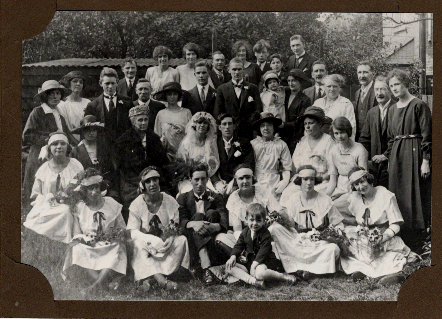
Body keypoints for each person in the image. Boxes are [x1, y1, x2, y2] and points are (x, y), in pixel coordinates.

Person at [340, 167, 419, 285]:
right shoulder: (355, 198)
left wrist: (382, 237)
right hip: (365, 241)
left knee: (386, 258)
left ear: (369, 180)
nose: (360, 187)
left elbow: (396, 224)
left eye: (362, 182)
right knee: (350, 250)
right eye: (356, 184)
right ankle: (364, 272)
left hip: (385, 239)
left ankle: (394, 275)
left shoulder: (385, 195)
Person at [385, 69, 431, 251]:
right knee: (398, 194)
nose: (394, 88)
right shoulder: (391, 110)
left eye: (397, 84)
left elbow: (428, 135)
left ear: (405, 84)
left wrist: (426, 160)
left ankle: (419, 241)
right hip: (397, 154)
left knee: (416, 193)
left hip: (415, 152)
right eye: (391, 86)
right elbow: (390, 137)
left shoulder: (419, 105)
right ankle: (401, 238)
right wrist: (390, 158)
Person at [62, 168, 127, 295]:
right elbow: (77, 234)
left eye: (96, 187)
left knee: (118, 247)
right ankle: (103, 281)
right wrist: (87, 240)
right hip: (90, 245)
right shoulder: (80, 207)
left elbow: (122, 228)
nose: (94, 192)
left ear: (101, 187)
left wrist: (114, 236)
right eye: (90, 189)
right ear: (84, 191)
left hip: (109, 244)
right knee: (77, 248)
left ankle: (95, 286)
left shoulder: (112, 203)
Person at [271, 165, 344, 278]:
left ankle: (305, 270)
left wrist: (332, 235)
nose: (309, 183)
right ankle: (304, 268)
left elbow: (338, 223)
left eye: (312, 179)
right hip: (298, 241)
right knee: (274, 228)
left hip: (318, 242)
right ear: (299, 181)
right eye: (305, 179)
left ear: (316, 180)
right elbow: (289, 224)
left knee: (333, 249)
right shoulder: (293, 199)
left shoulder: (325, 200)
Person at [127, 167, 190, 291]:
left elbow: (174, 226)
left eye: (155, 180)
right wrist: (151, 240)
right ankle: (160, 279)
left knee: (181, 240)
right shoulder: (136, 204)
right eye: (148, 181)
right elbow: (133, 232)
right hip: (147, 246)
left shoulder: (169, 200)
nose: (152, 184)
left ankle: (150, 278)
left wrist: (171, 237)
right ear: (143, 185)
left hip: (164, 245)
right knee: (137, 244)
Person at [22, 80, 76, 206]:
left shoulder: (60, 114)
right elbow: (28, 135)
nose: (55, 96)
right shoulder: (38, 112)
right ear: (44, 96)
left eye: (58, 93)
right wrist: (49, 139)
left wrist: (80, 145)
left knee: (56, 188)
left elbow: (67, 135)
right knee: (38, 186)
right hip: (39, 156)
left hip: (57, 156)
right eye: (51, 94)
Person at [23, 132, 84, 243]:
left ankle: (64, 239)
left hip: (72, 205)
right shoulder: (43, 169)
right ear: (49, 148)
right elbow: (36, 194)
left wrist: (72, 199)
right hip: (48, 206)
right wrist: (48, 199)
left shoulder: (76, 165)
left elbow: (83, 187)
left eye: (62, 144)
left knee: (66, 211)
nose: (59, 147)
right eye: (55, 144)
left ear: (67, 146)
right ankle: (52, 238)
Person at [115, 105, 169, 222]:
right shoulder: (124, 141)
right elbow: (123, 168)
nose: (143, 123)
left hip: (153, 178)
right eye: (140, 120)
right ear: (133, 121)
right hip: (132, 181)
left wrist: (153, 178)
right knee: (136, 199)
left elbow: (162, 162)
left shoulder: (154, 138)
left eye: (145, 119)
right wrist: (140, 182)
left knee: (164, 197)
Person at [177, 164, 228, 284]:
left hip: (212, 238)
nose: (200, 183)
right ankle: (206, 265)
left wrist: (215, 226)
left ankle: (206, 266)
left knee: (211, 212)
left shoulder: (216, 197)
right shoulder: (183, 198)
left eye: (203, 179)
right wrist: (193, 224)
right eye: (196, 179)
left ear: (207, 180)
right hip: (192, 241)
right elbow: (181, 221)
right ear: (190, 181)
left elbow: (224, 217)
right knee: (199, 217)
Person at [225, 203, 296, 288]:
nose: (254, 223)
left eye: (258, 221)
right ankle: (253, 281)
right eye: (251, 220)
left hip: (264, 262)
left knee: (259, 274)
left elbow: (263, 251)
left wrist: (254, 266)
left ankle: (282, 276)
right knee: (228, 267)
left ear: (264, 221)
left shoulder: (265, 234)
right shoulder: (245, 232)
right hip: (249, 262)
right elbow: (238, 245)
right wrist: (233, 256)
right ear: (246, 219)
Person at [215, 164, 282, 251]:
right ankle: (248, 255)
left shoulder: (263, 191)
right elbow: (237, 229)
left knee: (276, 229)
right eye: (241, 178)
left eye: (248, 177)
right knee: (221, 237)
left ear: (252, 178)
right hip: (246, 236)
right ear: (236, 180)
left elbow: (278, 211)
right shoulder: (233, 198)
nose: (245, 181)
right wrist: (249, 243)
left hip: (267, 232)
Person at [280, 106, 335, 204]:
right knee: (287, 194)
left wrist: (318, 179)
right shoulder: (302, 141)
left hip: (321, 182)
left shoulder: (329, 142)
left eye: (311, 123)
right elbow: (294, 165)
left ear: (320, 124)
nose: (307, 127)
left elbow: (332, 169)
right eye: (305, 124)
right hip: (302, 181)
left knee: (315, 199)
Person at [326, 117, 368, 220]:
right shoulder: (333, 151)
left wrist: (344, 193)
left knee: (333, 207)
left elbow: (363, 180)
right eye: (336, 133)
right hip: (338, 189)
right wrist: (325, 197)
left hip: (356, 190)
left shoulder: (359, 149)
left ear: (348, 131)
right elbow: (333, 180)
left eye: (342, 132)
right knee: (322, 203)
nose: (339, 136)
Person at [213, 57, 263, 140]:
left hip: (248, 131)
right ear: (229, 70)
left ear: (243, 70)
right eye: (234, 69)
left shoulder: (253, 88)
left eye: (239, 69)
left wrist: (248, 123)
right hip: (229, 132)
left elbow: (258, 110)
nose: (237, 72)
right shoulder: (222, 89)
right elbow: (218, 112)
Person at [69, 115, 117, 198]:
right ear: (82, 132)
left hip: (104, 186)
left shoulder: (104, 148)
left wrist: (105, 183)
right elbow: (73, 174)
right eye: (87, 130)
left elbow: (111, 169)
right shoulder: (76, 151)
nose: (91, 133)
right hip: (84, 188)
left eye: (94, 130)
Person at [358, 76, 393, 188]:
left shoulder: (397, 109)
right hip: (374, 165)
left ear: (390, 91)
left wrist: (385, 155)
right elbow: (364, 139)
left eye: (382, 89)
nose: (379, 93)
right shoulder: (371, 113)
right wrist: (365, 159)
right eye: (376, 90)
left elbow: (399, 139)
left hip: (393, 163)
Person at [84, 67, 133, 144]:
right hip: (102, 147)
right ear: (100, 83)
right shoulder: (92, 105)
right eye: (107, 83)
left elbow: (132, 126)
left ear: (117, 82)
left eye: (113, 83)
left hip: (123, 147)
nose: (110, 86)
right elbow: (87, 130)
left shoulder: (127, 102)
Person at [211, 114, 255, 197]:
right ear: (219, 127)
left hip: (239, 182)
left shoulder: (244, 142)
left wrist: (234, 182)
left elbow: (248, 164)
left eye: (230, 124)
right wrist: (217, 182)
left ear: (234, 126)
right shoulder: (214, 144)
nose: (227, 127)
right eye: (224, 124)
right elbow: (211, 167)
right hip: (220, 182)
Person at [250, 112, 292, 197]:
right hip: (256, 180)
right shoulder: (253, 144)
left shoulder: (281, 144)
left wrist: (285, 181)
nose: (265, 128)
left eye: (269, 125)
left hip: (274, 180)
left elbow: (287, 167)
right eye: (262, 125)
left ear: (274, 127)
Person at [177, 112, 220, 182]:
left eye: (205, 123)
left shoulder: (210, 142)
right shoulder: (187, 143)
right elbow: (182, 164)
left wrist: (210, 164)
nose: (202, 125)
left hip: (206, 177)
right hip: (189, 178)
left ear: (208, 126)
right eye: (199, 123)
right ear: (195, 125)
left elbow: (214, 164)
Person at [153, 82, 192, 160]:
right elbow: (157, 135)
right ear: (165, 96)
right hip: (167, 154)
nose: (172, 97)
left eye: (175, 94)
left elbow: (191, 135)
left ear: (179, 96)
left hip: (185, 153)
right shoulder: (161, 113)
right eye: (169, 94)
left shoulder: (186, 112)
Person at [313, 74, 356, 140]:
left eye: (335, 86)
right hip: (318, 142)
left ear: (339, 87)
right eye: (329, 86)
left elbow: (351, 128)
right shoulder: (317, 103)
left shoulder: (346, 104)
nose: (332, 89)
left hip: (337, 143)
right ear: (324, 87)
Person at [281, 69, 312, 153]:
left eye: (294, 81)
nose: (291, 83)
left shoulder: (305, 99)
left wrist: (284, 125)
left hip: (294, 135)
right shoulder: (284, 94)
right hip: (281, 134)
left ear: (300, 82)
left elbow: (300, 121)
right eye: (289, 81)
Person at [58, 70, 91, 142]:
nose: (78, 84)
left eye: (81, 82)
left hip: (86, 140)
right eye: (75, 81)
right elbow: (64, 128)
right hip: (69, 141)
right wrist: (75, 143)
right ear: (69, 84)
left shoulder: (87, 102)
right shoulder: (62, 104)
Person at [354, 61, 377, 141]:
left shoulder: (378, 91)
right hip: (360, 138)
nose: (362, 76)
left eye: (365, 72)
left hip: (374, 137)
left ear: (373, 74)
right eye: (359, 72)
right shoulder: (357, 93)